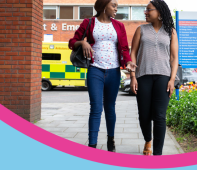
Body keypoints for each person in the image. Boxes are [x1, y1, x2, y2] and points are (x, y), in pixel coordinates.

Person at [68, 0, 137, 152]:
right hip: (95, 70)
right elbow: (71, 42)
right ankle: (92, 145)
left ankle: (110, 141)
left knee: (110, 107)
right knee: (96, 107)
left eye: (117, 6)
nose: (116, 9)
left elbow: (124, 49)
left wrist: (129, 62)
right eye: (113, 5)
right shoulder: (89, 22)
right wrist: (82, 43)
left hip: (113, 71)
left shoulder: (119, 26)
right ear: (104, 6)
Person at [129, 0, 179, 156]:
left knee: (159, 116)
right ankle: (148, 139)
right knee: (144, 115)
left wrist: (172, 79)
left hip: (163, 77)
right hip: (143, 76)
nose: (146, 12)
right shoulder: (140, 30)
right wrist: (133, 77)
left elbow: (174, 57)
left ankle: (158, 154)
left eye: (148, 10)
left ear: (159, 11)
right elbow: (133, 54)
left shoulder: (170, 31)